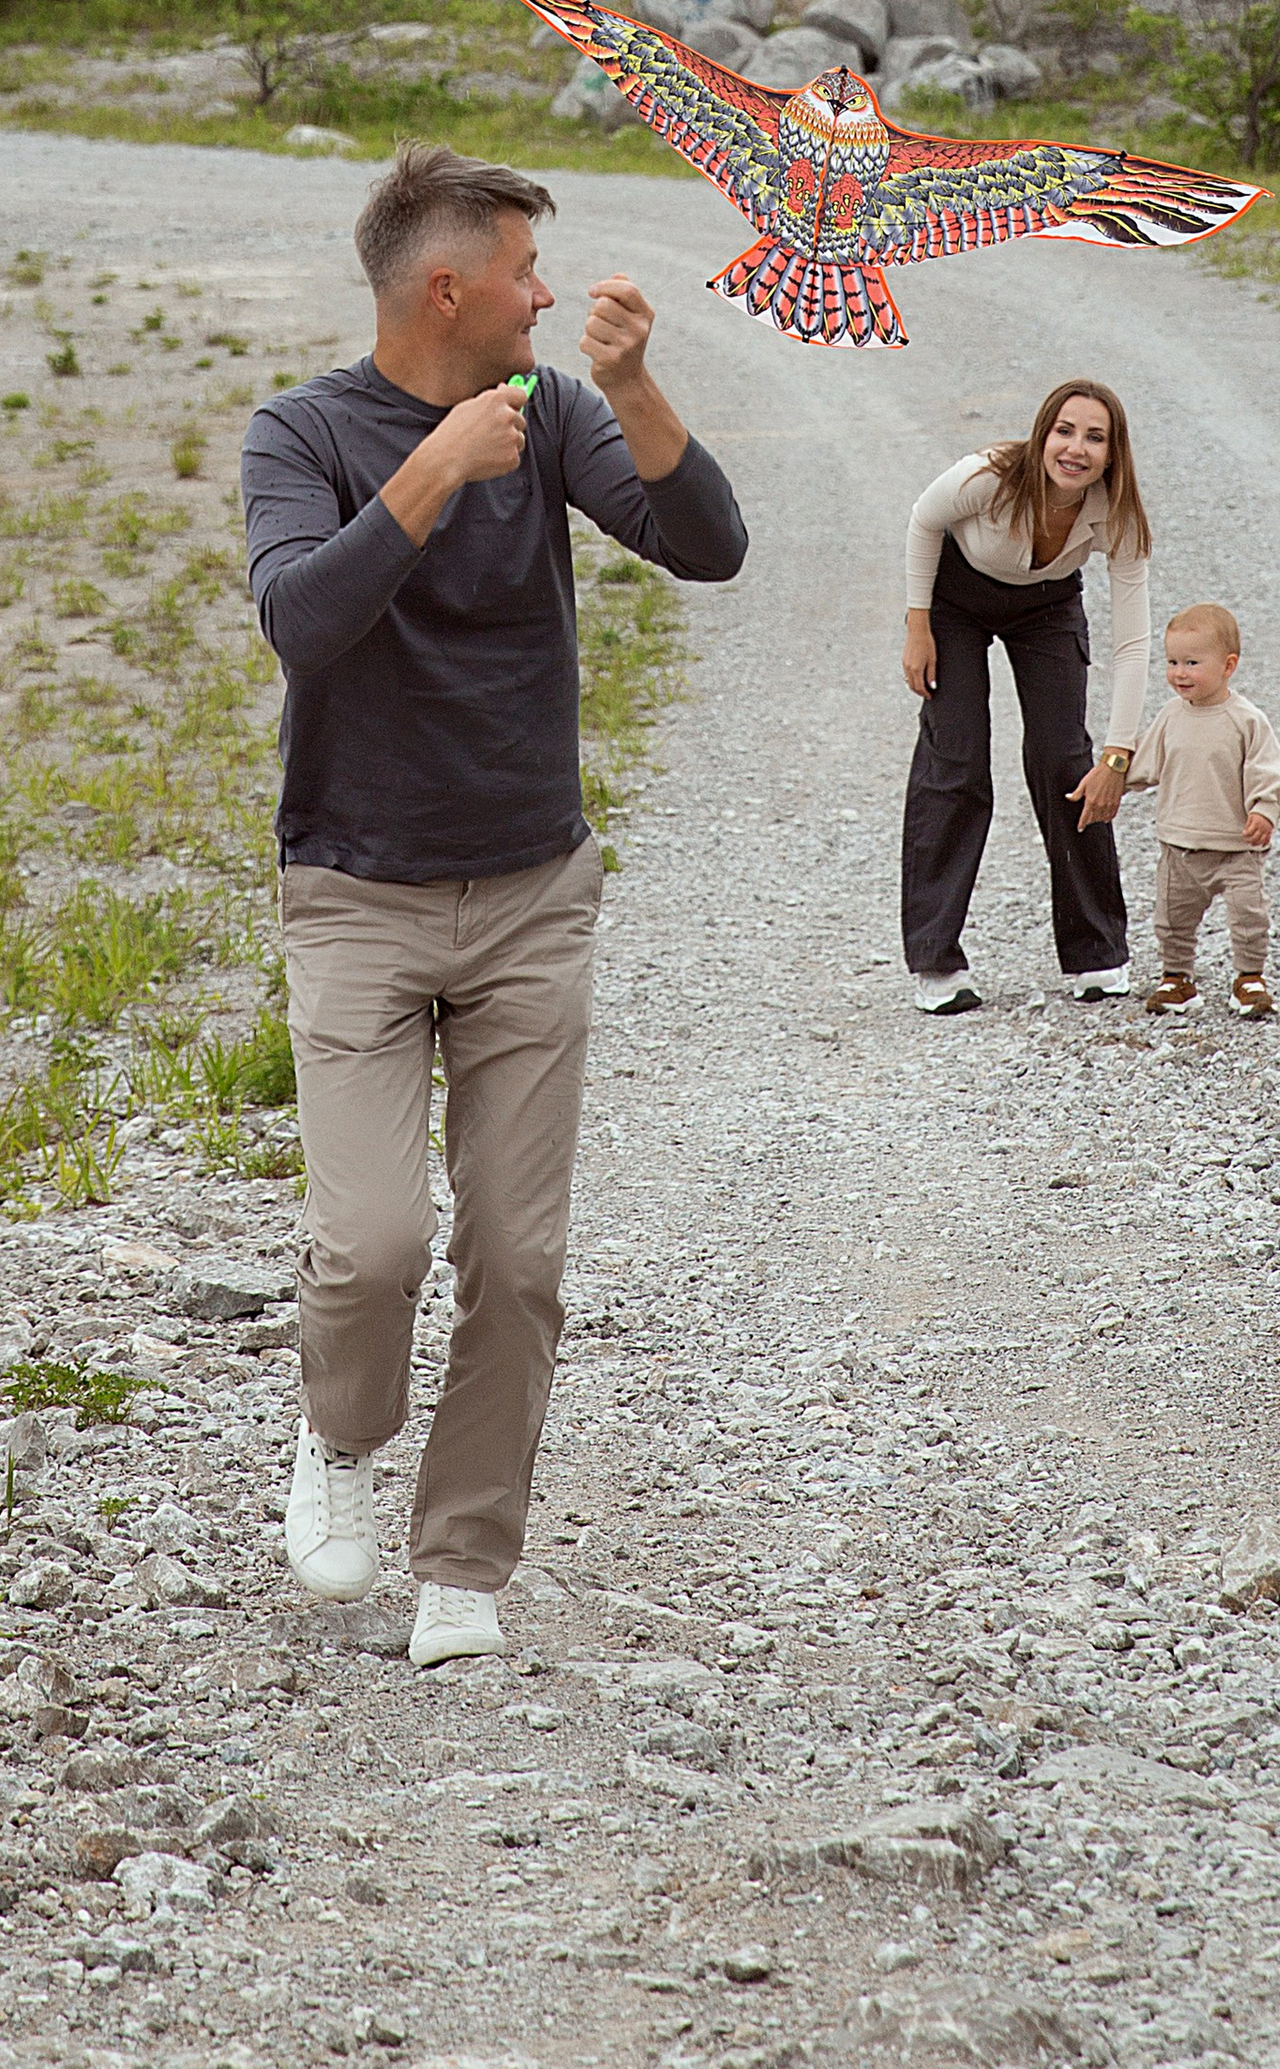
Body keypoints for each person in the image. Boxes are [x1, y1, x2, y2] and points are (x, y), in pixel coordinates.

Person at [240, 144, 747, 1662]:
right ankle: (340, 1440)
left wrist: (636, 387)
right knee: (372, 1244)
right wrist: (433, 473)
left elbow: (710, 548)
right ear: (447, 288)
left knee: (518, 1263)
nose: (546, 295)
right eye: (526, 272)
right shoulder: (302, 432)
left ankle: (463, 1562)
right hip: (355, 895)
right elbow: (300, 621)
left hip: (532, 892)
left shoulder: (557, 412)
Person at [899, 377, 1152, 1014]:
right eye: (1064, 431)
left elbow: (1133, 643)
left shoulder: (1116, 513)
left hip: (1047, 606)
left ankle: (1096, 953)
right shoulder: (989, 476)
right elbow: (925, 518)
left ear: (1112, 454)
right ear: (1043, 434)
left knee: (1066, 760)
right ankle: (936, 962)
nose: (1076, 449)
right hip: (956, 599)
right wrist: (917, 624)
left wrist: (1118, 756)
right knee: (957, 759)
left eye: (1094, 438)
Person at [1079, 600, 1280, 1018]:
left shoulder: (1246, 720)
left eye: (1192, 663)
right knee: (1172, 919)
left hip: (1236, 848)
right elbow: (1143, 761)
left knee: (1249, 917)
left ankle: (1250, 978)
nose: (1180, 673)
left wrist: (1264, 810)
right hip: (1179, 846)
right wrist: (1111, 779)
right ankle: (1177, 978)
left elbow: (1267, 768)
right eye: (1172, 662)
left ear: (1228, 666)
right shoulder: (1171, 717)